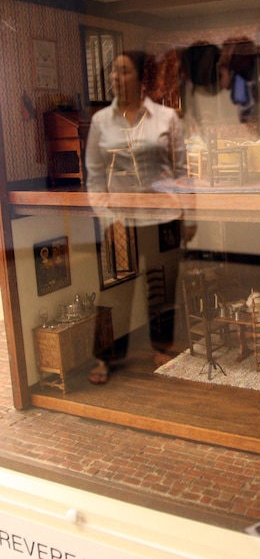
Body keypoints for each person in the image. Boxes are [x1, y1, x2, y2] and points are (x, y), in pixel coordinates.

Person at [85, 50, 186, 384]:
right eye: (113, 72)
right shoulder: (101, 121)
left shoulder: (166, 119)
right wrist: (105, 215)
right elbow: (95, 176)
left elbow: (182, 172)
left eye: (124, 71)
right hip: (120, 221)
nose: (116, 77)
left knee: (162, 286)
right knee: (115, 291)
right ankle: (105, 357)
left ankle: (162, 346)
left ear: (141, 78)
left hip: (163, 217)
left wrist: (189, 213)